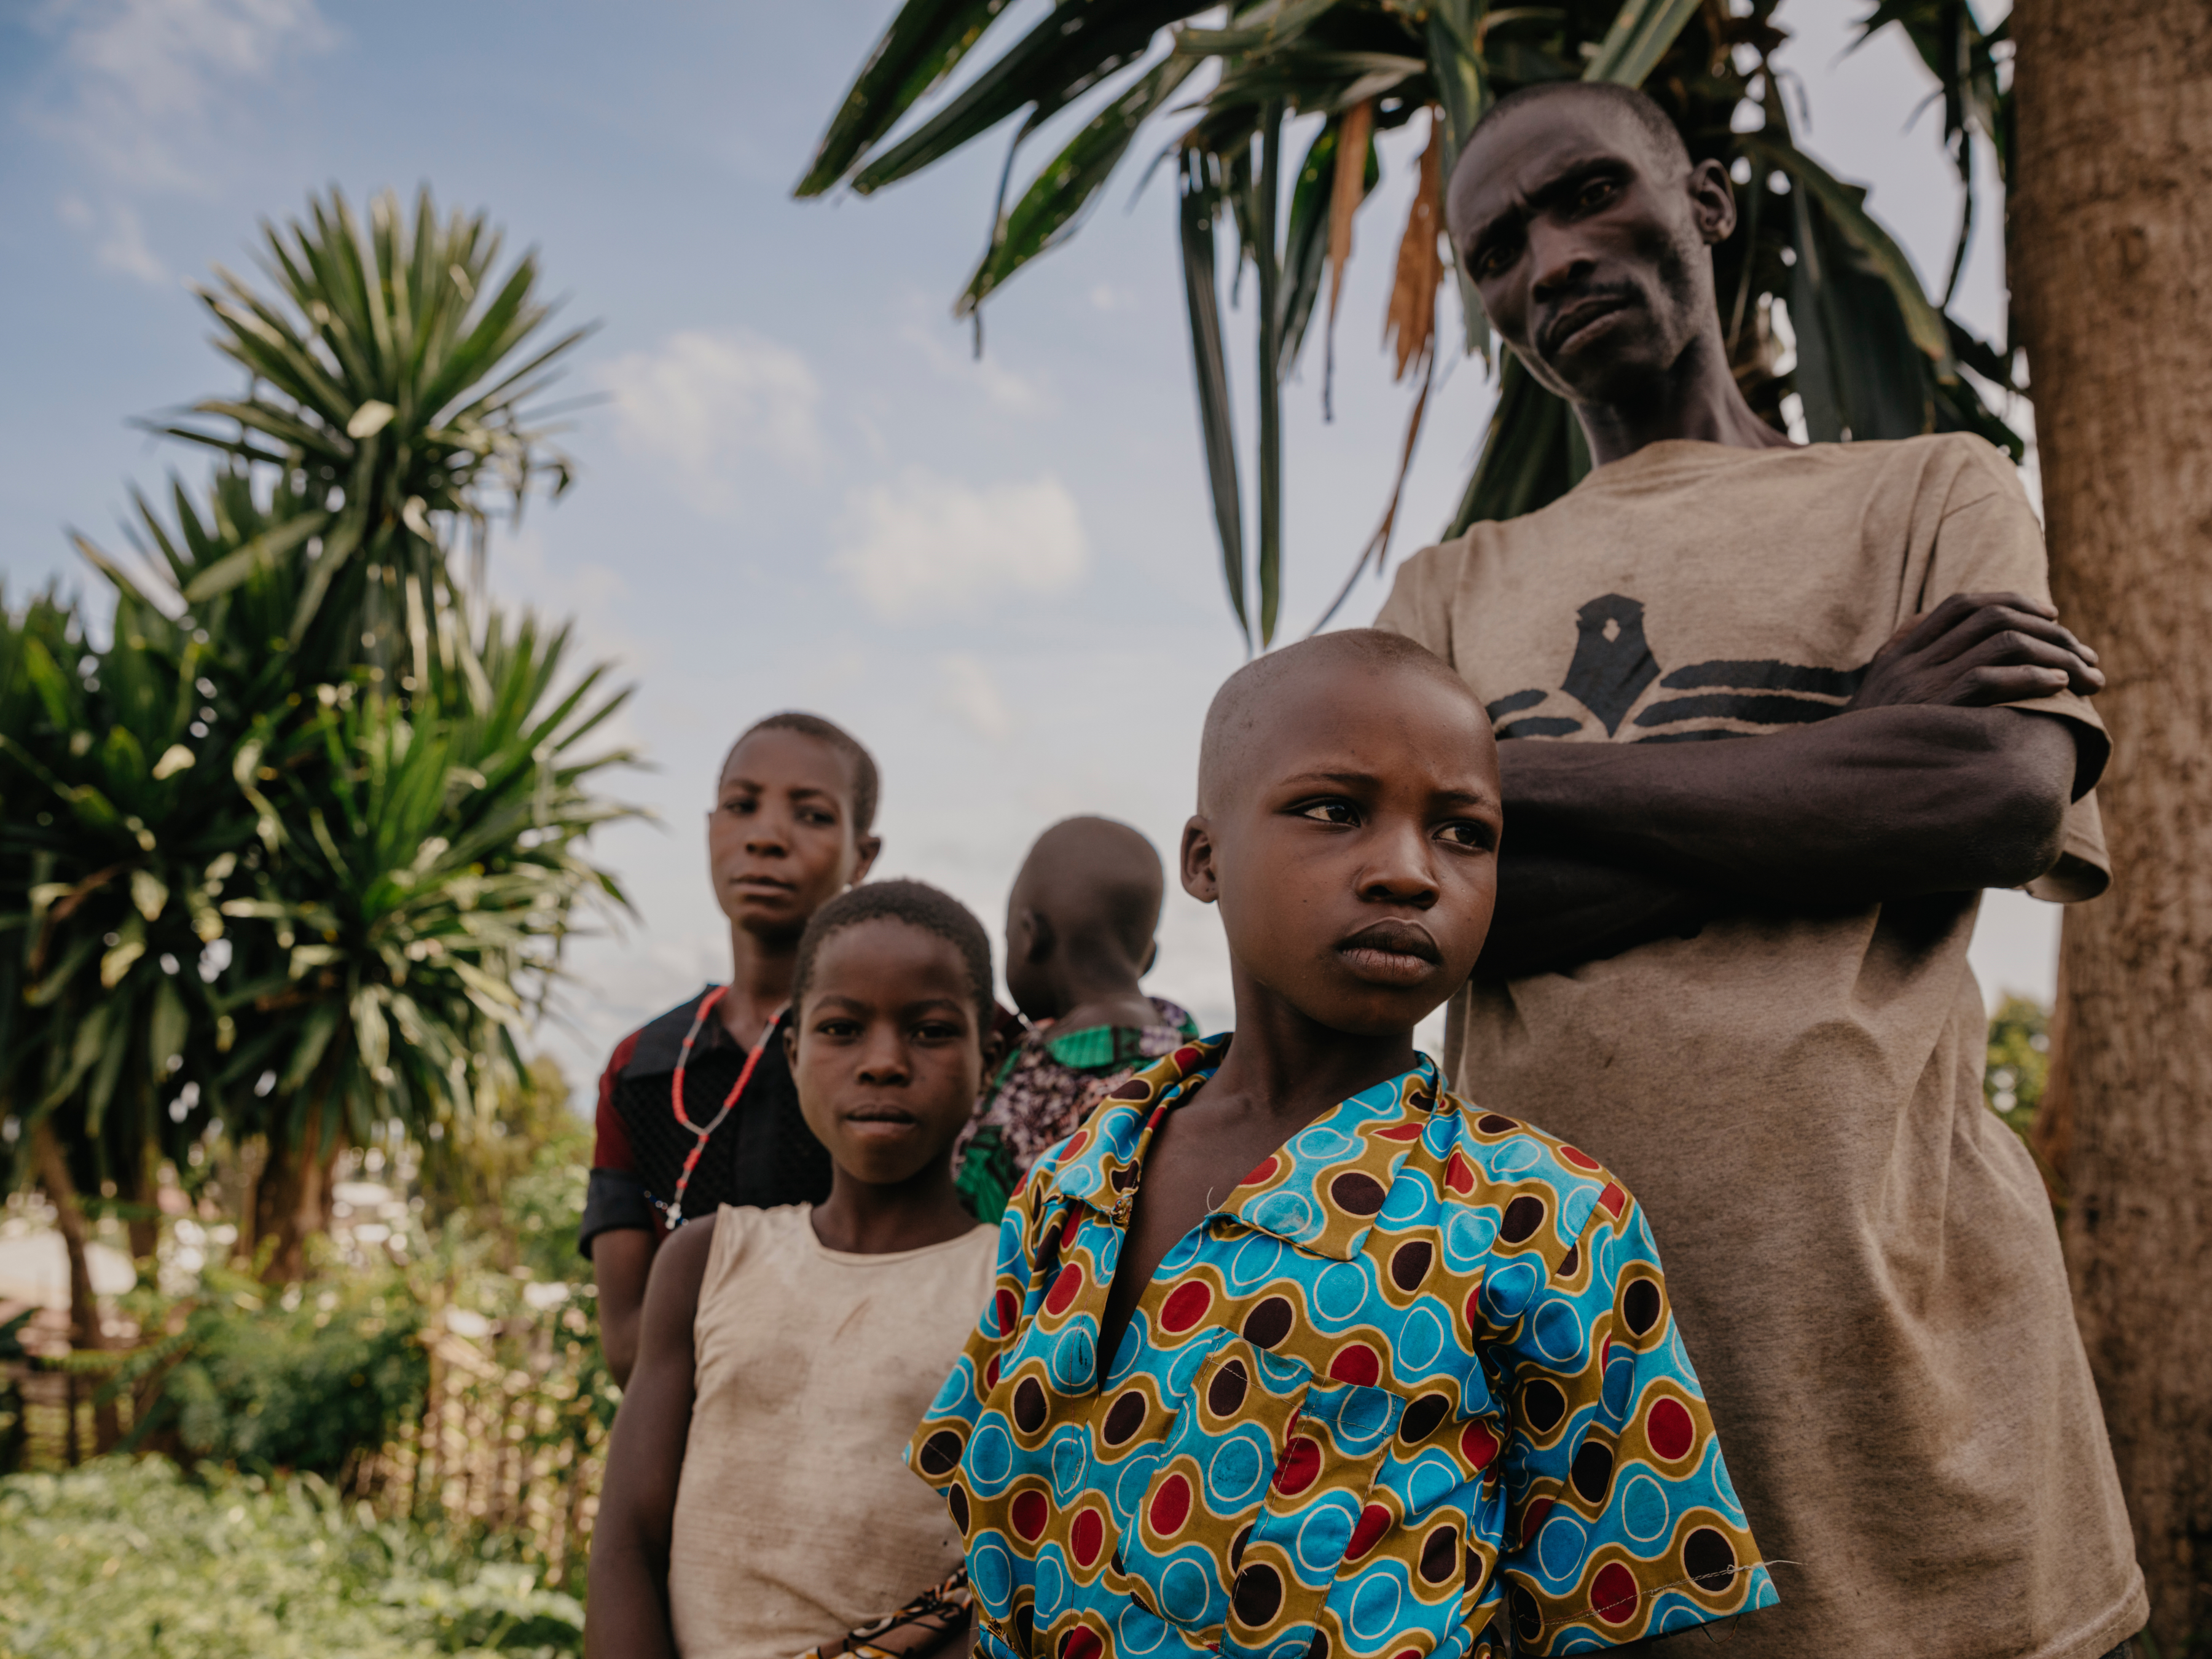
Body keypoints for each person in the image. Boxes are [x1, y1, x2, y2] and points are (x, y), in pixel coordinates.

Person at [1374, 79, 2142, 1659]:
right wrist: (1845, 747)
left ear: (1708, 204)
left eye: (1592, 193)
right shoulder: (1446, 586)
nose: (1554, 257)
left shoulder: (1931, 487)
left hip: (1915, 1369)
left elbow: (1991, 793)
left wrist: (1505, 793)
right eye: (1499, 246)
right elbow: (1406, 914)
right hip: (1571, 1384)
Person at [908, 631, 1776, 1658]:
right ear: (1205, 858)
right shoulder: (1077, 1177)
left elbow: (1638, 1617)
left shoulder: (1542, 1218)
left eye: (1462, 832)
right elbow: (995, 1513)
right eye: (1335, 811)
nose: (1410, 872)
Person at [586, 880, 1003, 1659]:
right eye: (842, 1028)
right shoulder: (708, 1260)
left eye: (931, 1031)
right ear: (794, 1051)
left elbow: (1017, 1578)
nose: (883, 1063)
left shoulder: (1016, 1290)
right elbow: (626, 1547)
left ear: (991, 1056)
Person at [579, 712, 881, 1386]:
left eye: (811, 816)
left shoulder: (908, 1055)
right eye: (742, 807)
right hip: (689, 1463)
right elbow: (627, 1346)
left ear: (863, 856)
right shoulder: (643, 1066)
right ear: (711, 829)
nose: (767, 837)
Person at [952, 816, 1199, 1222]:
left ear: (1030, 936)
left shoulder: (1038, 1081)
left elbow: (973, 1193)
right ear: (1149, 956)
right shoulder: (1186, 1047)